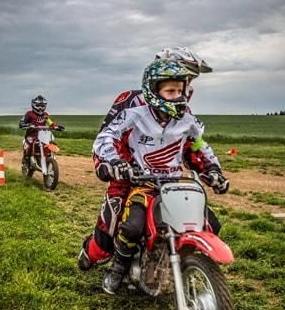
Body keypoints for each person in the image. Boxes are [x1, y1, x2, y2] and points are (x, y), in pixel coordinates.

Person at [83, 59, 229, 294]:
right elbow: (105, 138)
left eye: (180, 91)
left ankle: (183, 264)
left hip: (176, 186)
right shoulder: (133, 115)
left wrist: (214, 171)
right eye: (170, 91)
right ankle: (118, 267)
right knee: (132, 226)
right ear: (153, 90)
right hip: (144, 185)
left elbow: (199, 147)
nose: (177, 96)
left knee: (212, 223)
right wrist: (114, 162)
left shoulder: (188, 120)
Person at [19, 95, 64, 164]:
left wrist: (56, 126)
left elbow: (50, 123)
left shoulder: (45, 115)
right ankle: (26, 160)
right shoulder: (29, 114)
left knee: (51, 142)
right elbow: (22, 122)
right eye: (38, 105)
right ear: (34, 105)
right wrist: (25, 125)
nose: (40, 108)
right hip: (31, 135)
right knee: (30, 144)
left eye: (42, 106)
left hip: (43, 136)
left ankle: (50, 157)